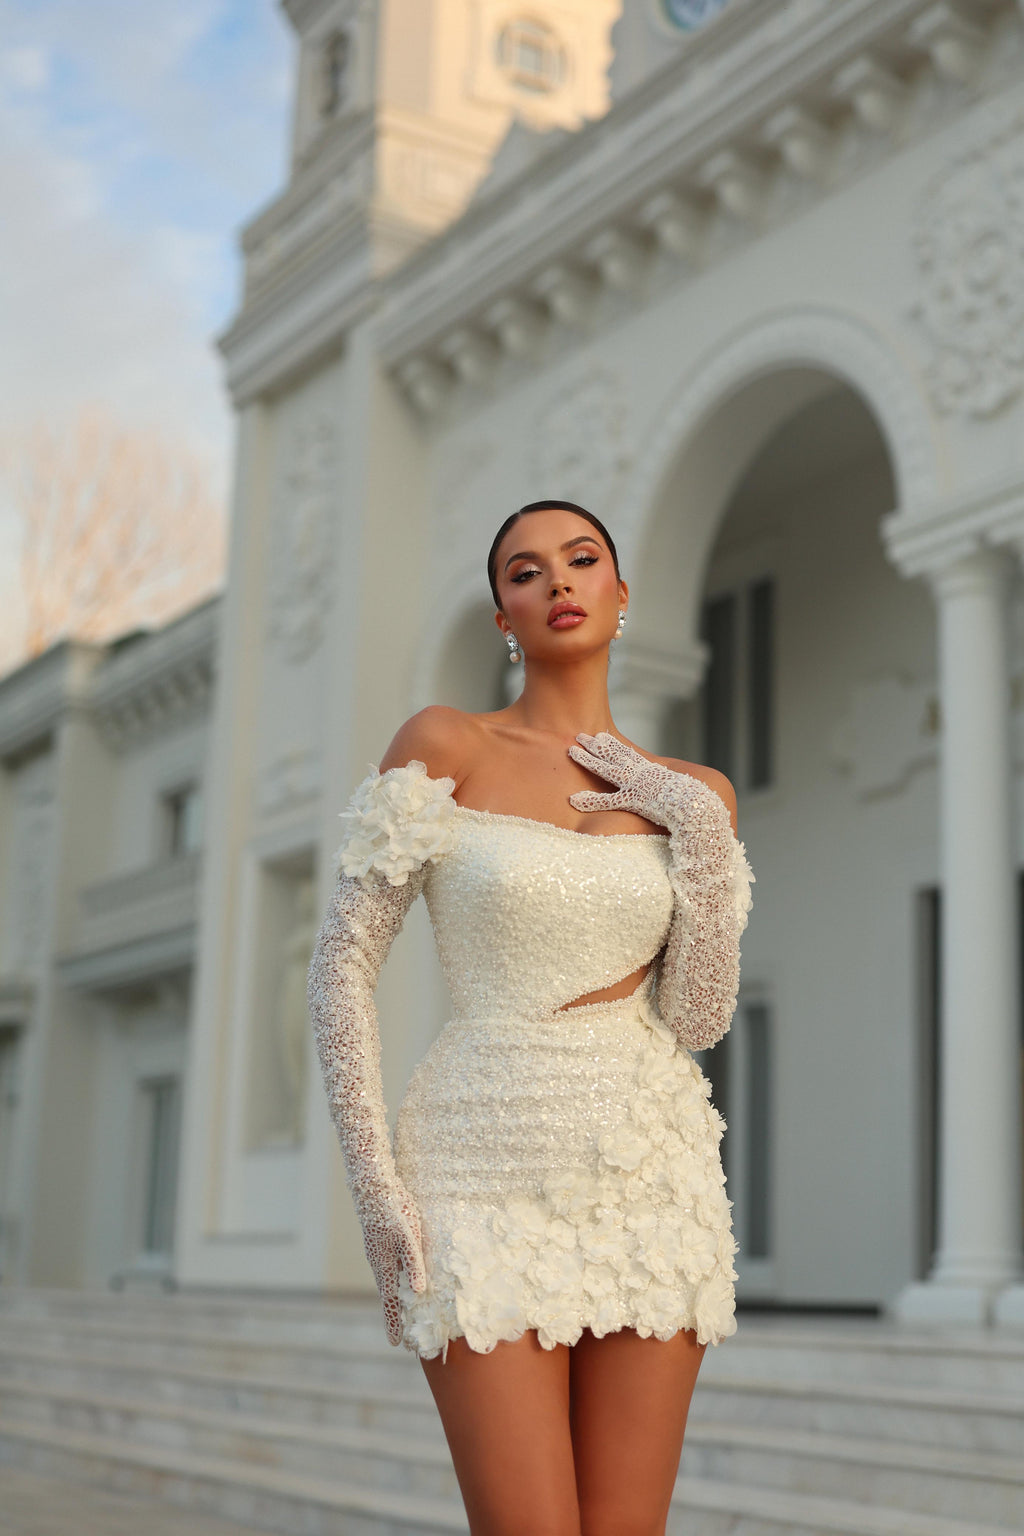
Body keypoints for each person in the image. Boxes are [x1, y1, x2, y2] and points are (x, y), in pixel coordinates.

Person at [306, 499, 754, 1536]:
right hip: (478, 1170)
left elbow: (695, 1015)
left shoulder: (694, 793)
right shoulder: (444, 742)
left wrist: (692, 826)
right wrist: (375, 1187)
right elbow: (342, 964)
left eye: (580, 560)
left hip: (651, 1177)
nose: (556, 582)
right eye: (524, 571)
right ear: (503, 613)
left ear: (619, 592)